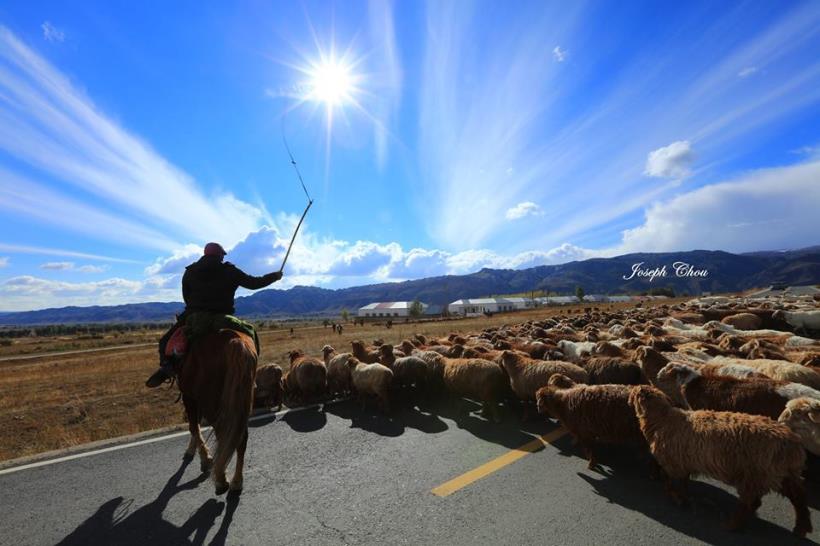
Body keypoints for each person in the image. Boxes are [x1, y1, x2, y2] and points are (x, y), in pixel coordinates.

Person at [145, 242, 283, 388]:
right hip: (223, 317)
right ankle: (250, 372)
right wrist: (274, 276)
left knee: (164, 341)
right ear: (220, 255)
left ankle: (166, 368)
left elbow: (186, 296)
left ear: (206, 254)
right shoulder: (230, 270)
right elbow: (254, 283)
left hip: (194, 315)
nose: (223, 258)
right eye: (222, 255)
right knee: (250, 333)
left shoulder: (190, 271)